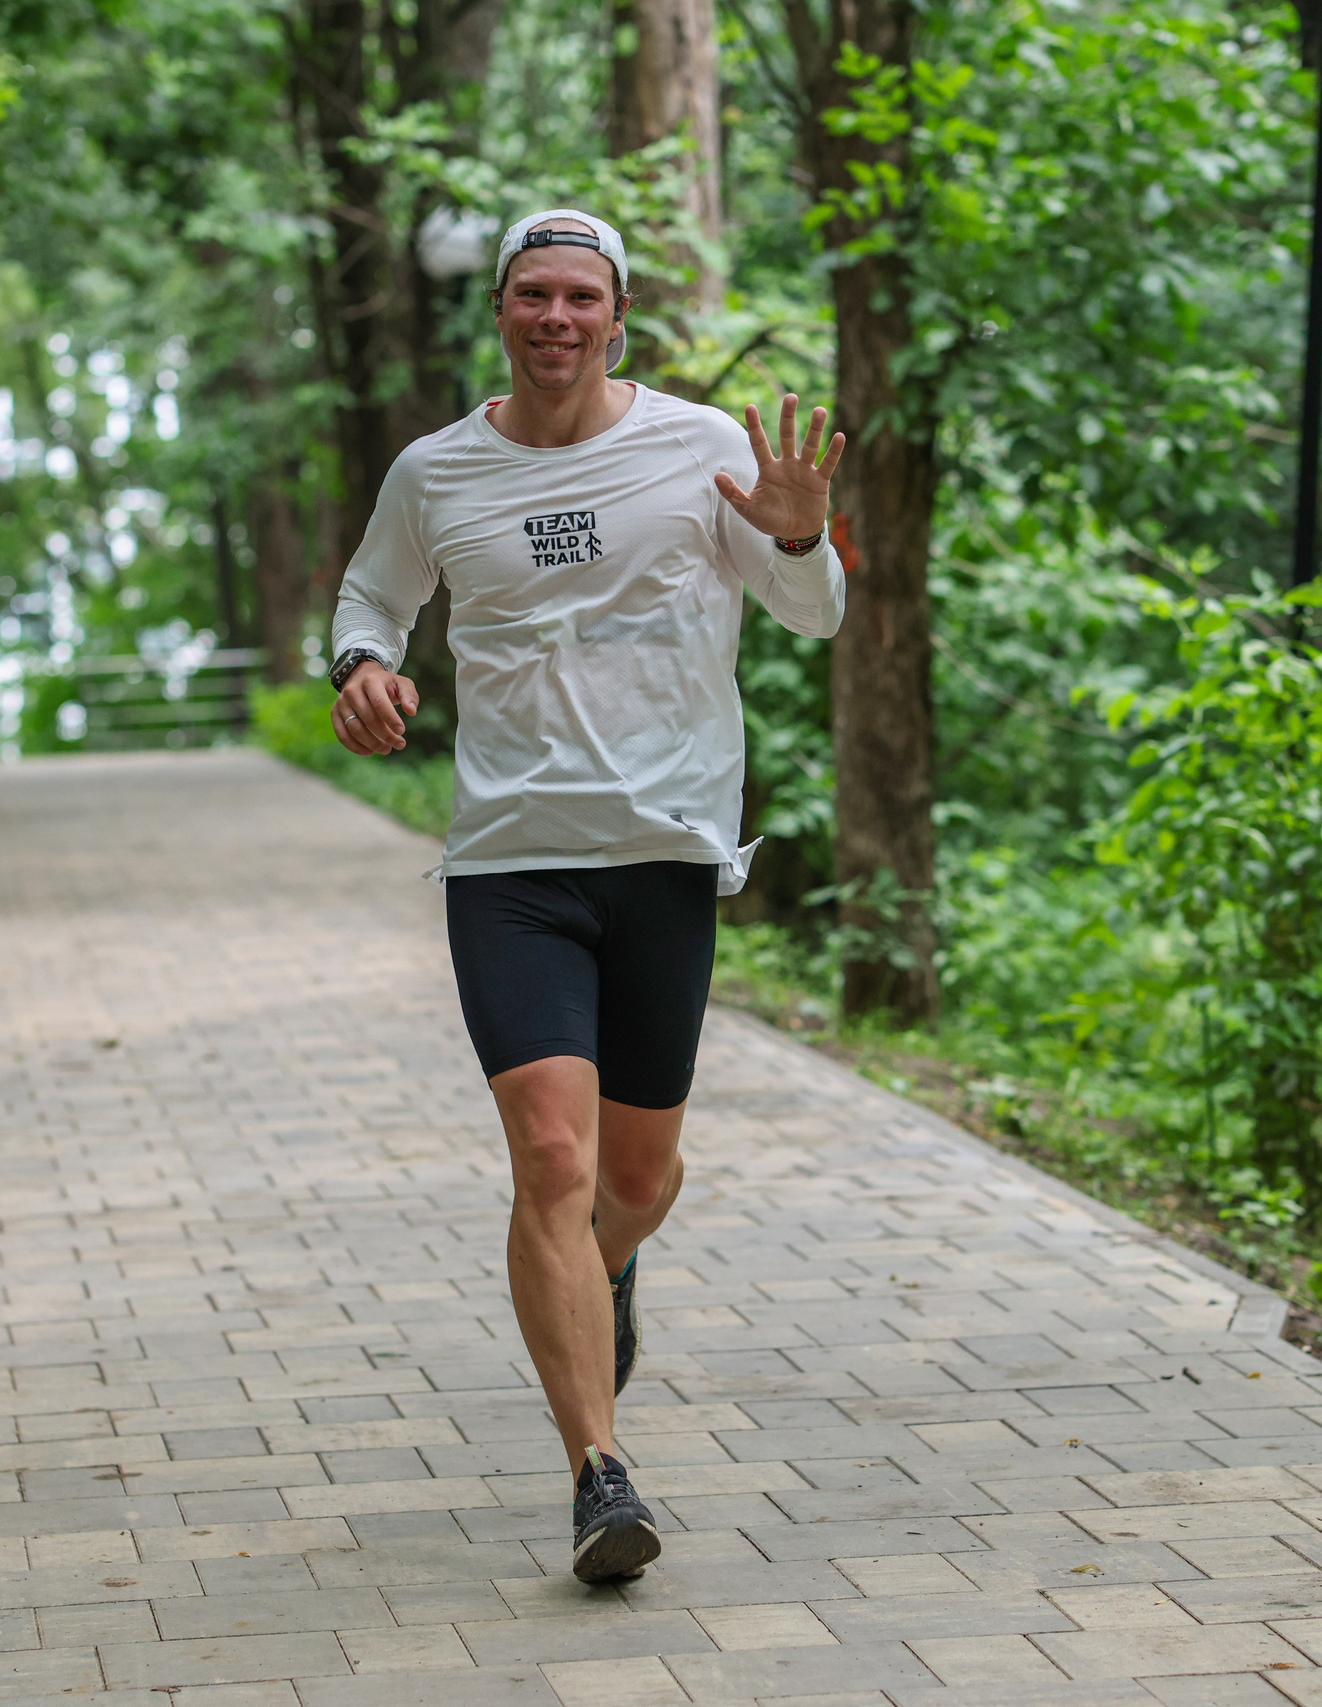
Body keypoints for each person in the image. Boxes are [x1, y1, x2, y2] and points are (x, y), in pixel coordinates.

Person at [326, 208, 846, 1584]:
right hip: (509, 861)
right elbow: (370, 597)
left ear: (618, 319)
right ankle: (598, 1473)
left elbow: (815, 616)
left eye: (582, 298)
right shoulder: (436, 471)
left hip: (666, 856)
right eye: (532, 295)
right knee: (549, 1161)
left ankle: (605, 1269)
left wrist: (796, 542)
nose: (556, 317)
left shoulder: (699, 450)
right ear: (499, 312)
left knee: (636, 1178)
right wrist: (362, 667)